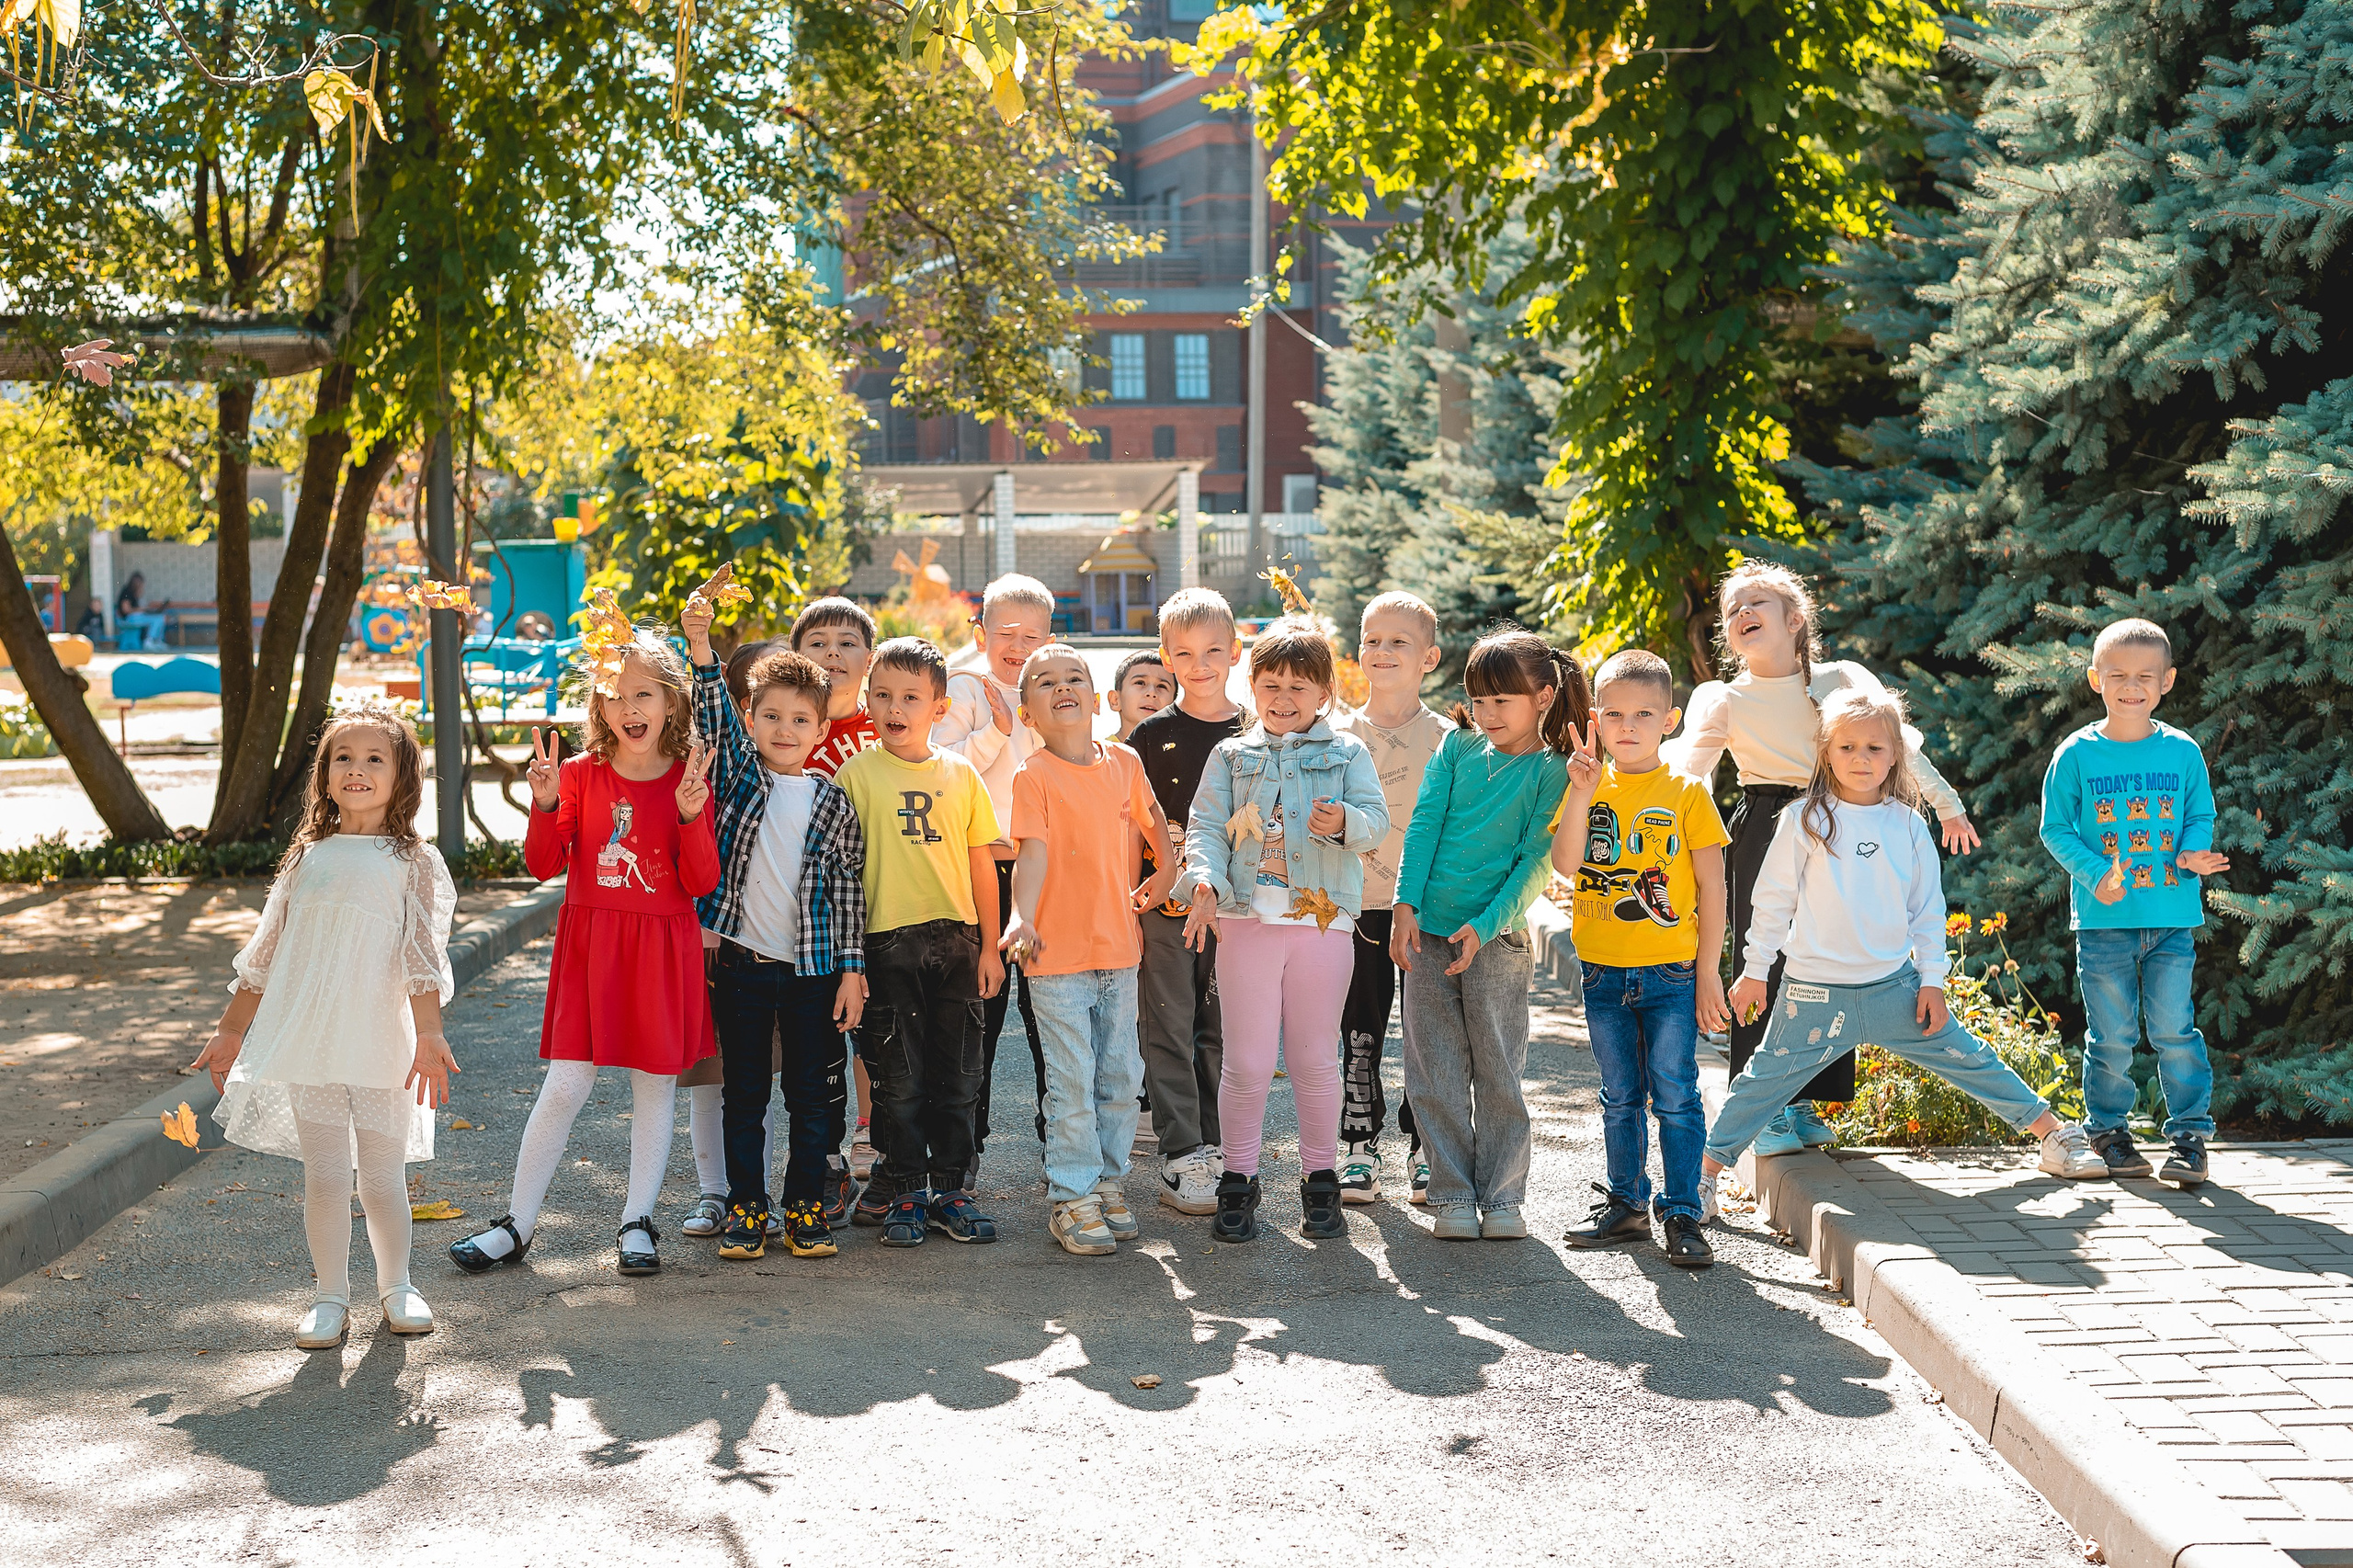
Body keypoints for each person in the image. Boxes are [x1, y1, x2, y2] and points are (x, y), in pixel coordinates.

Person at [1703, 687, 2108, 1201]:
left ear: (1896, 753)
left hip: (1894, 989)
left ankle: (2054, 1135)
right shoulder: (1804, 819)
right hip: (1813, 994)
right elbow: (1773, 902)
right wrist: (1754, 969)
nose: (1861, 759)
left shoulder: (1909, 825)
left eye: (1875, 748)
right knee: (1762, 1083)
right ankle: (1705, 1177)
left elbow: (1927, 910)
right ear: (1825, 751)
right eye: (1847, 747)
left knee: (1969, 1057)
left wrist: (1932, 981)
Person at [1667, 562, 1981, 1157]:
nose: (1742, 614)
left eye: (1756, 602)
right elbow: (1686, 774)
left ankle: (1805, 1101)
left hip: (1833, 822)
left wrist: (1947, 806)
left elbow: (1896, 745)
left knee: (1830, 965)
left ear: (1795, 619)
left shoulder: (1837, 681)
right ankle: (1764, 1111)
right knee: (1767, 966)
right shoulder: (1725, 698)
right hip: (1763, 828)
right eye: (1733, 609)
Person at [449, 631, 720, 1278]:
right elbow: (544, 864)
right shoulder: (578, 775)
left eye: (643, 693)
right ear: (598, 706)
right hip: (593, 948)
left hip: (660, 949)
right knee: (567, 1082)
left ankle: (637, 1221)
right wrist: (544, 803)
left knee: (654, 1088)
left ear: (670, 702)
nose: (629, 707)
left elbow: (701, 882)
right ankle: (517, 1224)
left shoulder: (689, 776)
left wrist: (690, 816)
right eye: (615, 695)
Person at [188, 705, 458, 1349]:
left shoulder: (411, 860)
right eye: (344, 757)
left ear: (402, 777)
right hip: (311, 1038)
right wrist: (231, 1031)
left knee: (384, 1172)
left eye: (374, 759)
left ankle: (397, 1286)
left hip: (378, 1037)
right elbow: (266, 955)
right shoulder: (307, 855)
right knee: (328, 1174)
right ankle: (329, 1295)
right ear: (325, 773)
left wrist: (428, 1034)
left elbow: (420, 956)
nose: (357, 769)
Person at [1179, 619, 1389, 1243]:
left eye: (1300, 686)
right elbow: (1205, 827)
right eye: (1271, 684)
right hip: (1245, 924)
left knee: (1314, 1060)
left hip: (1320, 927)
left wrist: (1344, 819)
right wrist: (1205, 881)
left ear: (1324, 692)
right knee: (1244, 1063)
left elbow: (1376, 822)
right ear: (1253, 686)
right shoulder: (1230, 756)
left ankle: (1320, 1181)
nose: (1284, 697)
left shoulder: (1347, 754)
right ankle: (1238, 1182)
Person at [682, 579, 870, 1261]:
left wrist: (853, 972)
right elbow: (713, 717)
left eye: (800, 720)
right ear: (752, 720)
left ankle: (805, 1208)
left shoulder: (832, 802)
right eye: (771, 718)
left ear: (821, 730)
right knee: (745, 1098)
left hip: (815, 977)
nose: (784, 730)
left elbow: (850, 895)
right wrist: (701, 643)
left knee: (812, 1103)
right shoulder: (740, 779)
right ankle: (744, 1208)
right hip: (743, 972)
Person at [1392, 629, 1582, 1240]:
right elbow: (1423, 826)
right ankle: (1450, 1193)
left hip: (1495, 943)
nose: (1488, 713)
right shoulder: (1456, 750)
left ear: (1544, 697)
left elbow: (1537, 862)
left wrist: (1485, 925)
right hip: (1426, 936)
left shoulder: (1553, 772)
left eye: (1504, 700)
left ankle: (1502, 1197)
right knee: (1435, 1071)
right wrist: (1405, 905)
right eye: (1479, 699)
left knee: (1498, 1070)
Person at [999, 645, 1178, 1254]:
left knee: (1122, 1076)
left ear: (1098, 701)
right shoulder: (1035, 775)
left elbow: (1156, 821)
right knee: (1072, 1080)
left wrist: (1168, 869)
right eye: (1046, 683)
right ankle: (1071, 1196)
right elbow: (1033, 856)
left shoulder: (1124, 762)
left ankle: (1107, 1182)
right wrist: (1021, 916)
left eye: (1075, 677)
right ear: (1029, 713)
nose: (1063, 687)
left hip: (1118, 951)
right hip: (1054, 960)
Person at [1552, 651, 1728, 1267]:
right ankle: (1626, 1205)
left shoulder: (1686, 792)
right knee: (1619, 1093)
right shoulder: (1587, 785)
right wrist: (1581, 791)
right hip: (1601, 972)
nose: (1628, 725)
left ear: (1670, 721)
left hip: (1671, 973)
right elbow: (1566, 864)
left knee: (1675, 1093)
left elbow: (1713, 888)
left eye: (1644, 714)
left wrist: (1709, 974)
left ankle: (1683, 1211)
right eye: (1616, 713)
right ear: (1596, 717)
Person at [2039, 618, 2227, 1187]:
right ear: (2096, 679)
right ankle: (2108, 1133)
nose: (2131, 685)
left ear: (2166, 682)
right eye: (2117, 674)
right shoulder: (2076, 754)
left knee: (2175, 1030)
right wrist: (2097, 875)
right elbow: (2056, 829)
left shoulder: (2182, 751)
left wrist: (2194, 852)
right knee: (2113, 1036)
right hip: (2104, 924)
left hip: (2171, 920)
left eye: (2145, 675)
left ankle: (2190, 1137)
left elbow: (2200, 814)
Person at [834, 636, 1006, 1246]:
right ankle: (905, 1189)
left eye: (909, 696)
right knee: (897, 1080)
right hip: (885, 948)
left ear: (938, 707)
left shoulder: (960, 773)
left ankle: (951, 1189)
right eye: (881, 695)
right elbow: (842, 874)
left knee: (958, 1075)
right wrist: (849, 962)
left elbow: (982, 864)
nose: (893, 707)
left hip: (956, 943)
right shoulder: (853, 776)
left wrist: (989, 947)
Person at [1330, 591, 1452, 1204]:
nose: (1383, 651)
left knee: (1427, 1033)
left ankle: (1425, 1145)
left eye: (1399, 641)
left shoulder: (1450, 740)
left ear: (1429, 657)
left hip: (1426, 911)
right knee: (1360, 1032)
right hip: (1354, 909)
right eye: (1373, 640)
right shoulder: (1335, 735)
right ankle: (1358, 1144)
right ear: (1358, 652)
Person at [1130, 587, 1245, 1215]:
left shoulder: (1256, 731)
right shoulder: (1150, 734)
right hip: (1167, 909)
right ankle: (1183, 1153)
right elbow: (1132, 822)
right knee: (1169, 1026)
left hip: (1237, 912)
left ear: (1234, 652)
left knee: (1221, 1031)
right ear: (1166, 658)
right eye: (1184, 653)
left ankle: (1221, 1145)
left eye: (1212, 651)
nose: (1199, 665)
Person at [933, 574, 1051, 1176]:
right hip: (980, 869)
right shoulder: (964, 690)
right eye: (1006, 632)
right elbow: (945, 769)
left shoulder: (1054, 692)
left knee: (1049, 1014)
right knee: (977, 1015)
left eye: (1033, 634)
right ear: (980, 634)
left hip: (1042, 872)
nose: (1019, 644)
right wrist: (996, 732)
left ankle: (1058, 1134)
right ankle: (963, 1148)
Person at [677, 636, 779, 1243]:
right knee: (708, 1080)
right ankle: (715, 1192)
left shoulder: (803, 773)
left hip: (772, 952)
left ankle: (755, 1194)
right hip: (712, 947)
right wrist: (702, 655)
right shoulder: (713, 763)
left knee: (757, 1083)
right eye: (752, 703)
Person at [790, 596, 884, 1192]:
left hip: (881, 905)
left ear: (870, 657)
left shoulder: (889, 727)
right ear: (795, 656)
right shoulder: (788, 728)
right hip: (808, 917)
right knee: (817, 1041)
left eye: (848, 642)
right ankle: (823, 1153)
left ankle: (873, 1138)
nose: (833, 651)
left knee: (874, 1036)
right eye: (818, 641)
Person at [1108, 648, 1176, 744]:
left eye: (1162, 686)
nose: (1152, 693)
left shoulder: (1182, 755)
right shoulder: (1101, 755)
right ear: (1115, 700)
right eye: (1140, 683)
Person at [115, 572, 168, 651]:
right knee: (158, 619)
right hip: (127, 619)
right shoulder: (127, 591)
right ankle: (150, 640)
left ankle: (157, 640)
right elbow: (126, 610)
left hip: (134, 617)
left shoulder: (134, 594)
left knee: (160, 617)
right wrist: (142, 609)